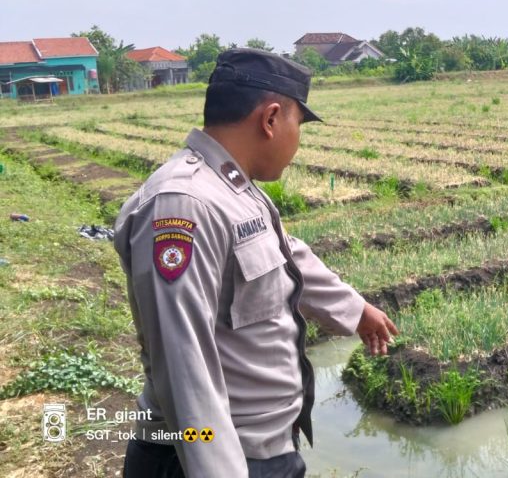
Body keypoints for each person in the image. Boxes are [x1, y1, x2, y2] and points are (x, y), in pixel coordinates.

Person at [115, 48, 398, 477]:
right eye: (298, 124)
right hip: (207, 460)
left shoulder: (232, 189)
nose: (298, 140)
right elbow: (182, 364)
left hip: (264, 449)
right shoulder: (183, 205)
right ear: (270, 119)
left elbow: (287, 254)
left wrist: (355, 311)